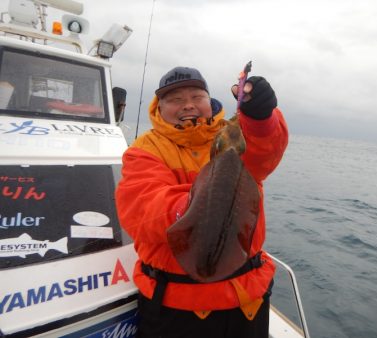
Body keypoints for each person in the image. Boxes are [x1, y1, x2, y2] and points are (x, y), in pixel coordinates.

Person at [115, 66, 288, 338]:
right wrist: (198, 206)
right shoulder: (145, 149)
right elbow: (141, 208)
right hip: (177, 308)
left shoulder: (233, 133)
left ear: (209, 100)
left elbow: (265, 152)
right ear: (159, 107)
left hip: (248, 302)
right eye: (175, 100)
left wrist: (261, 117)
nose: (188, 105)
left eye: (197, 96)